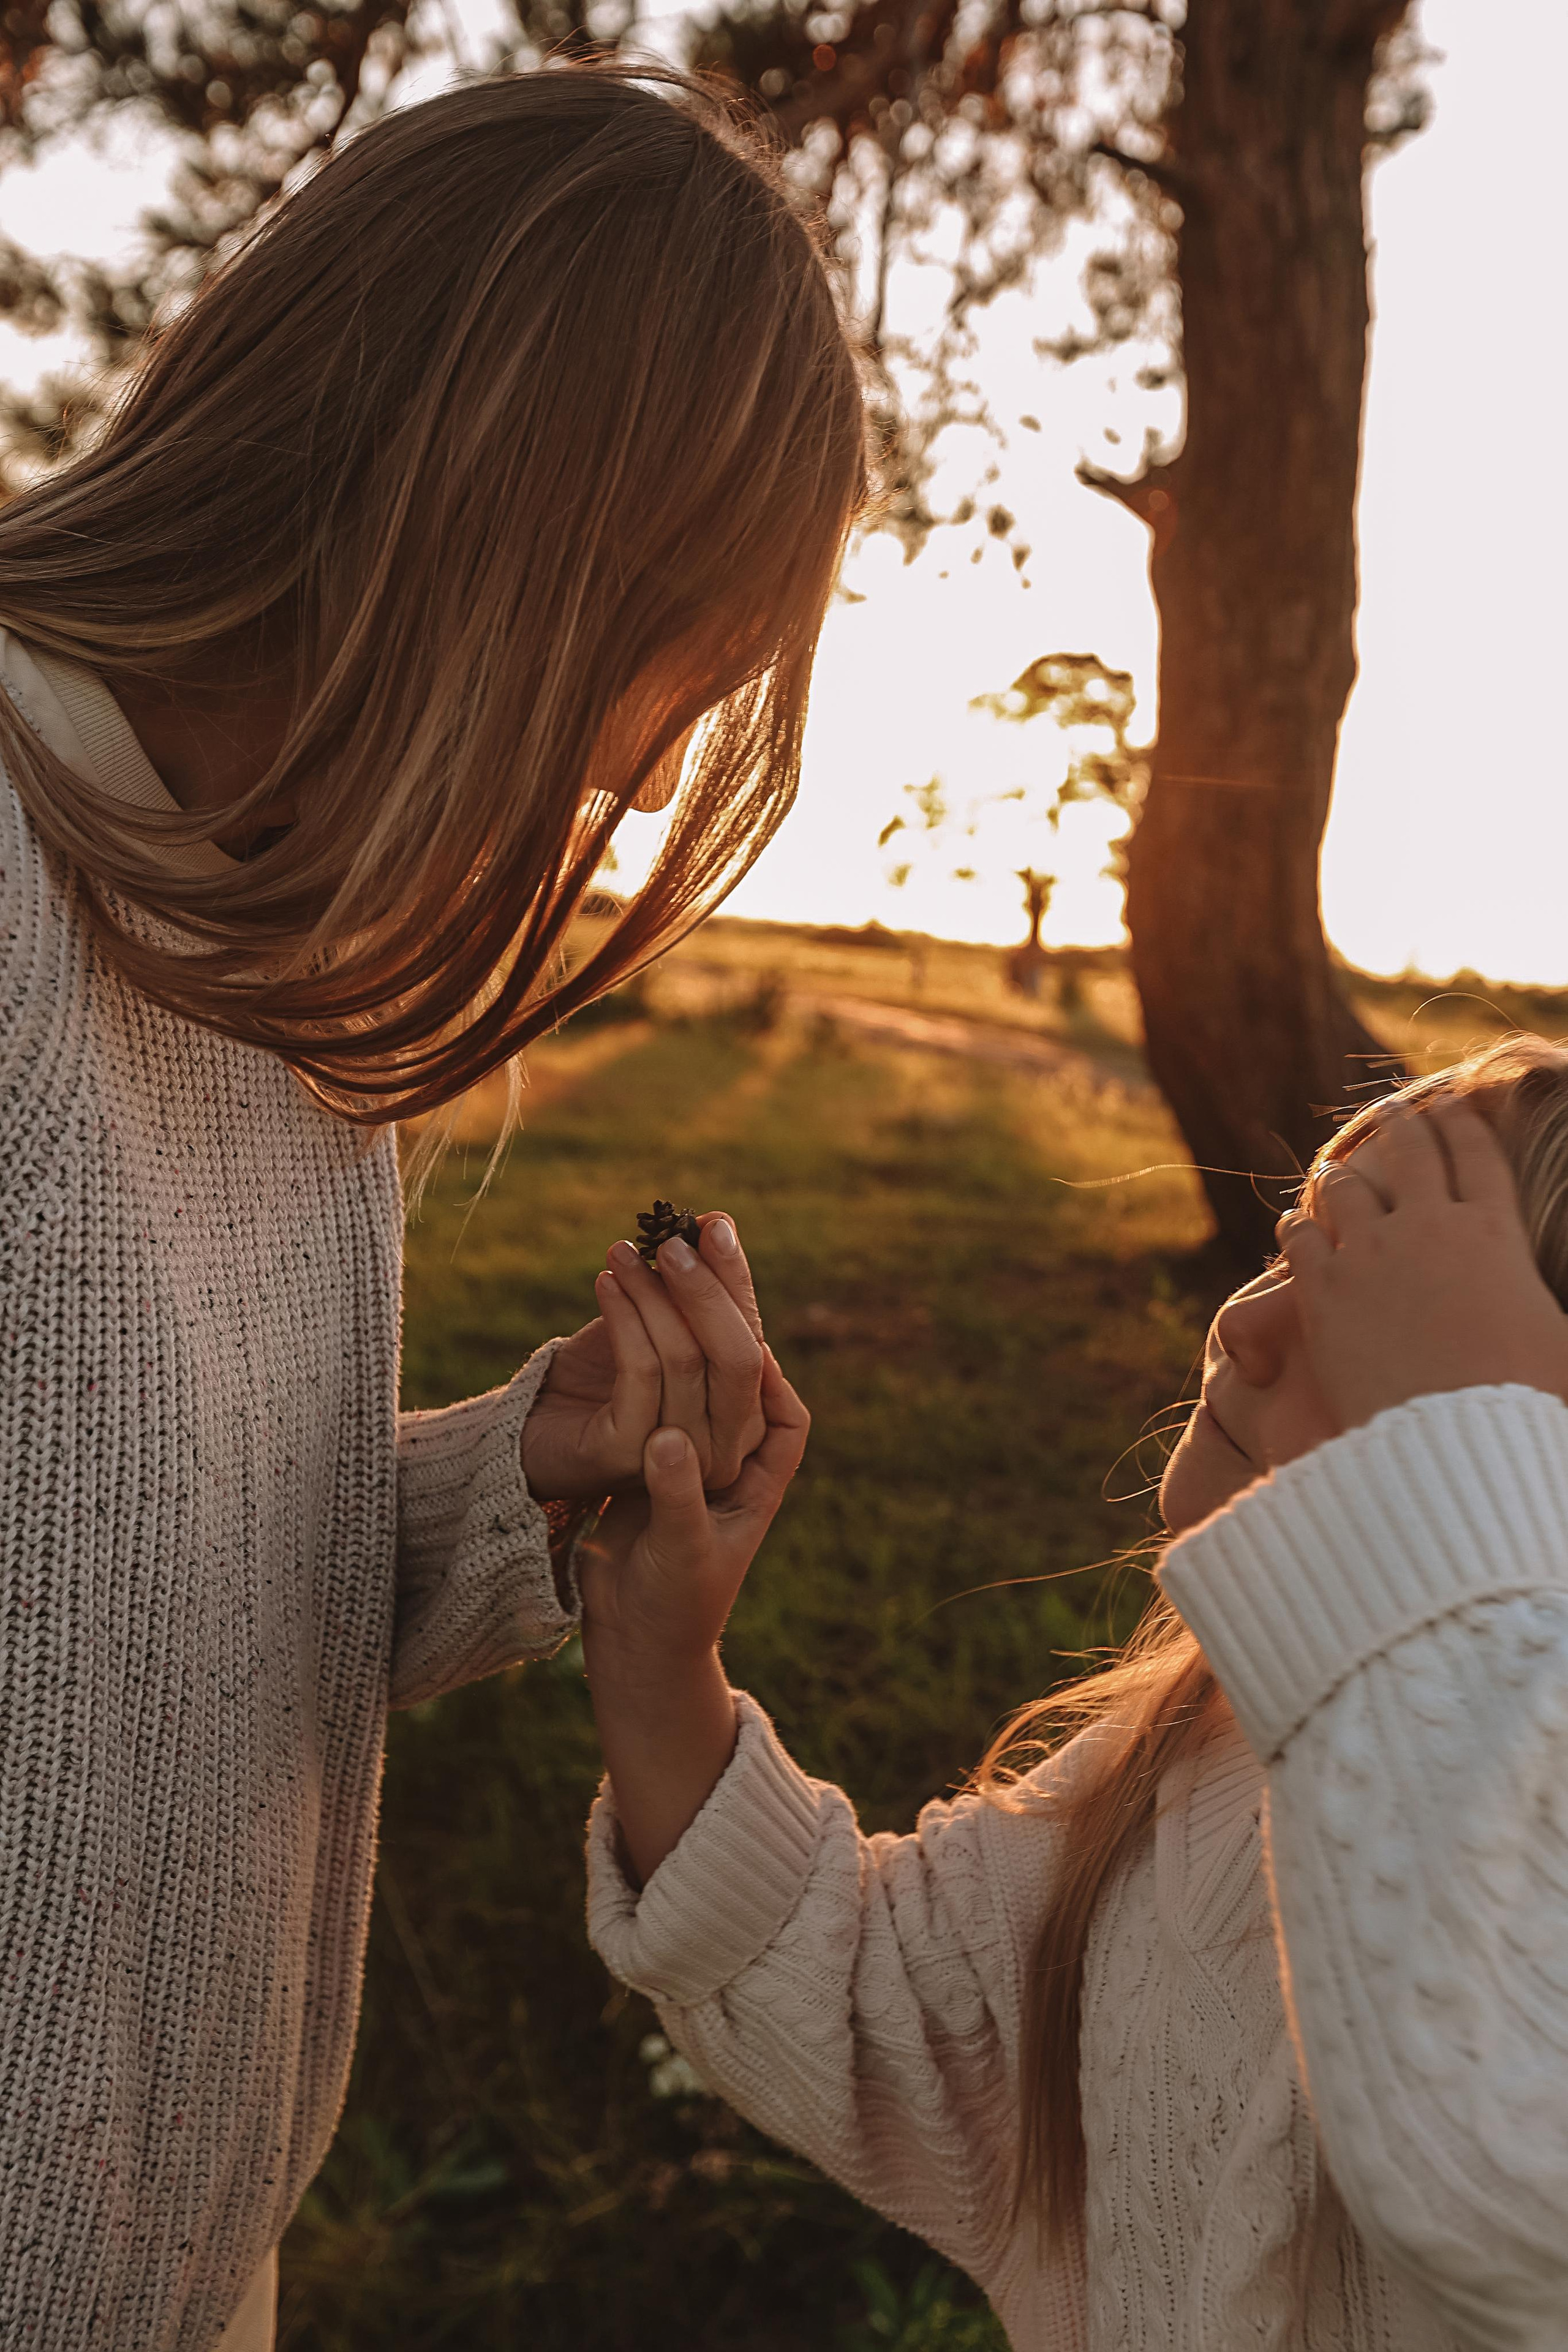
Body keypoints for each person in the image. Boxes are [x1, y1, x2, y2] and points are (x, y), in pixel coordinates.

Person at [0, 58, 866, 2352]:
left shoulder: (282, 980)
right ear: (496, 540)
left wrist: (529, 1475)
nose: (639, 777)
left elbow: (126, 1604)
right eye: (657, 686)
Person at [583, 1035, 1568, 2350]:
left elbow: (1501, 2179)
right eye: (1293, 1249)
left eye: (1365, 1309)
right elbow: (889, 2015)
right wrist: (659, 1667)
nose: (1244, 1318)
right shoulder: (1188, 1752)